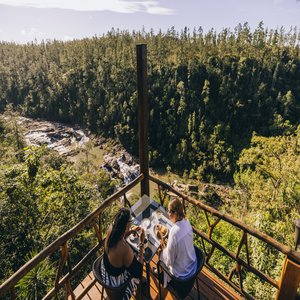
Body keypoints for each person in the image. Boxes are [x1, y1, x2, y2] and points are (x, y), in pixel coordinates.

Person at [99, 207, 145, 300]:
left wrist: (130, 232)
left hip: (105, 268)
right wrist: (141, 243)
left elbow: (119, 237)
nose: (130, 225)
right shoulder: (125, 249)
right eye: (129, 224)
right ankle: (136, 289)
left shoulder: (112, 228)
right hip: (116, 285)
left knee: (133, 256)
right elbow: (138, 272)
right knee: (137, 260)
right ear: (125, 226)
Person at [157, 198, 197, 288]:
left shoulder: (174, 232)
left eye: (169, 211)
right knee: (167, 248)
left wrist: (161, 241)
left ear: (175, 213)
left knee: (160, 252)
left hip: (182, 276)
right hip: (192, 267)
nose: (168, 214)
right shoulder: (187, 221)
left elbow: (169, 262)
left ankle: (160, 273)